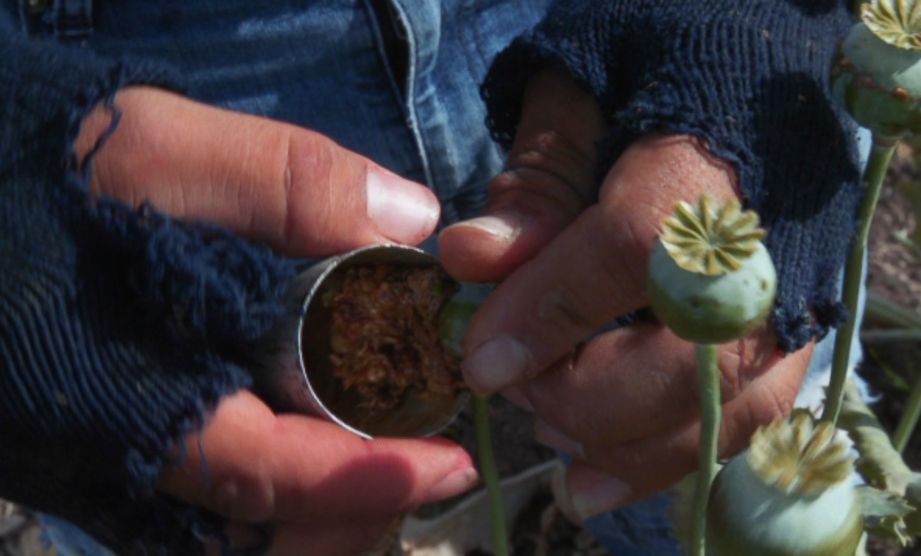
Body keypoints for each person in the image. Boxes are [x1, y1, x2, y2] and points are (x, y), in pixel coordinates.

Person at [0, 0, 866, 554]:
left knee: (725, 412)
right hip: (128, 85)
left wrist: (765, 22)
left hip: (583, 40)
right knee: (184, 469)